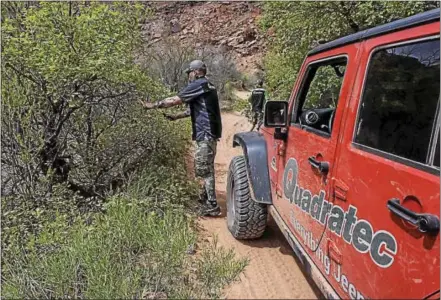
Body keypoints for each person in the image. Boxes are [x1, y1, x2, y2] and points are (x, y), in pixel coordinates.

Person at [139, 60, 222, 217]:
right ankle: (205, 198)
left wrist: (152, 105)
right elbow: (194, 110)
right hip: (209, 133)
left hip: (206, 133)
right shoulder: (207, 86)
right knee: (206, 166)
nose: (188, 76)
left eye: (189, 72)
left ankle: (212, 205)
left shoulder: (199, 84)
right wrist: (175, 117)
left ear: (196, 72)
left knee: (204, 169)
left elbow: (175, 100)